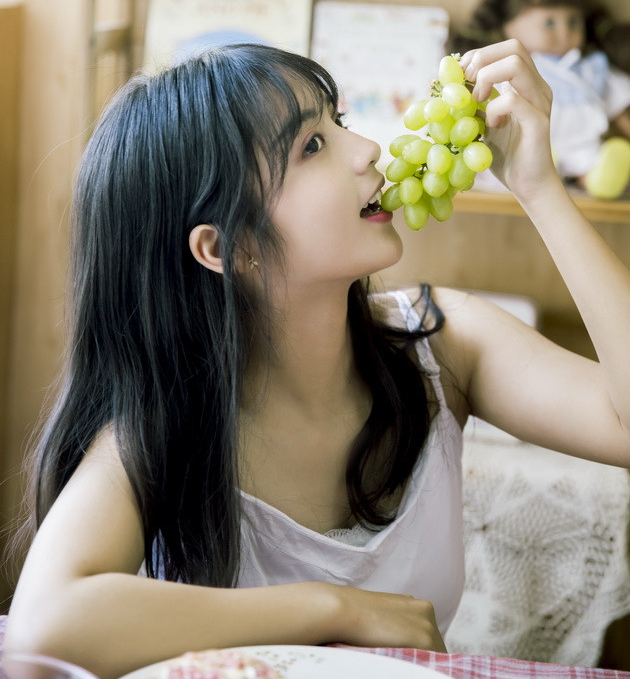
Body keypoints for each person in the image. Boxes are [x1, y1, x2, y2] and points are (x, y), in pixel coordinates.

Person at [4, 41, 630, 679]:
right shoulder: (162, 427)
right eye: (312, 145)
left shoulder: (444, 342)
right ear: (228, 248)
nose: (369, 150)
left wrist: (540, 188)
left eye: (341, 122)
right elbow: (44, 625)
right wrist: (336, 609)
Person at [447, 0, 630, 198]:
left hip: (585, 146)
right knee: (534, 152)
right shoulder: (519, 66)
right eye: (550, 22)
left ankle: (597, 178)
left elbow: (618, 108)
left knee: (595, 160)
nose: (564, 32)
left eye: (573, 22)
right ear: (511, 27)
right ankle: (542, 165)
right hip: (542, 142)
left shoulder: (593, 68)